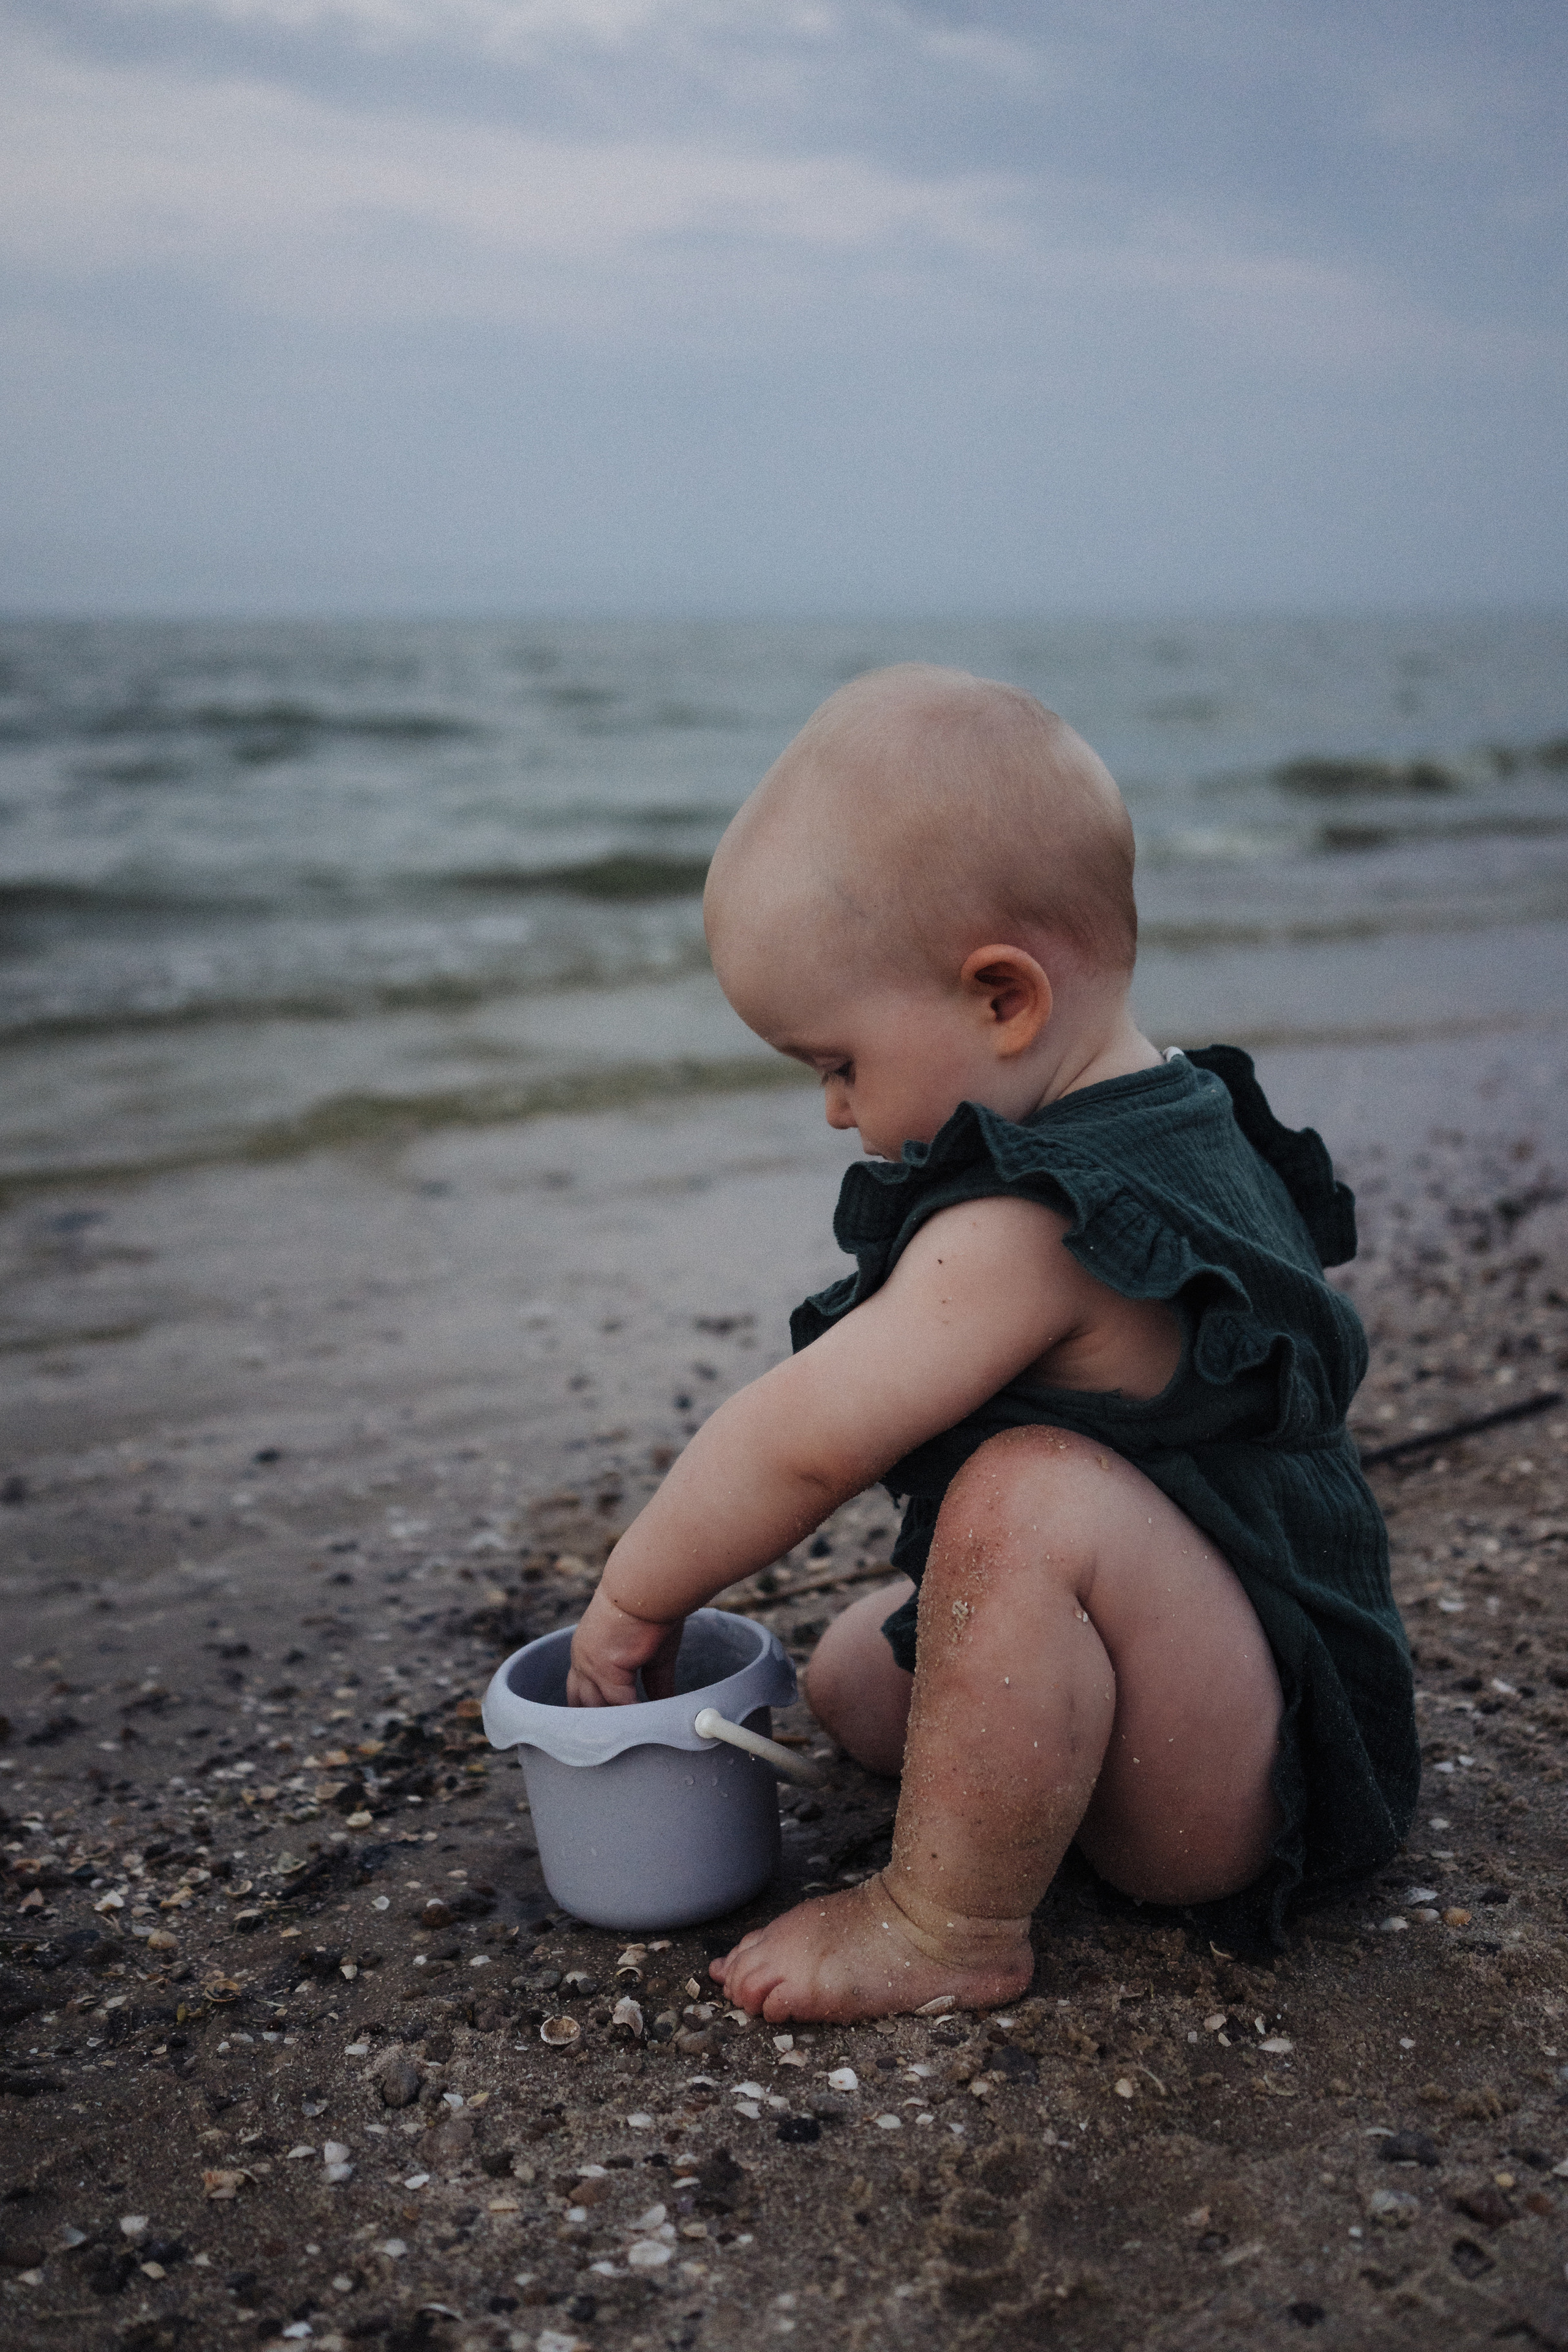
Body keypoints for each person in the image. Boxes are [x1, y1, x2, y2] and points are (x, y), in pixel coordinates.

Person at [564, 664, 1419, 2023]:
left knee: (1022, 1498)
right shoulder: (1174, 1104)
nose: (834, 1112)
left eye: (836, 1061)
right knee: (856, 1672)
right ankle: (1013, 1796)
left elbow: (802, 1440)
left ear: (1001, 998)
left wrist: (632, 1602)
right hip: (1246, 1662)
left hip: (1247, 1783)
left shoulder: (1025, 1229)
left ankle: (944, 1923)